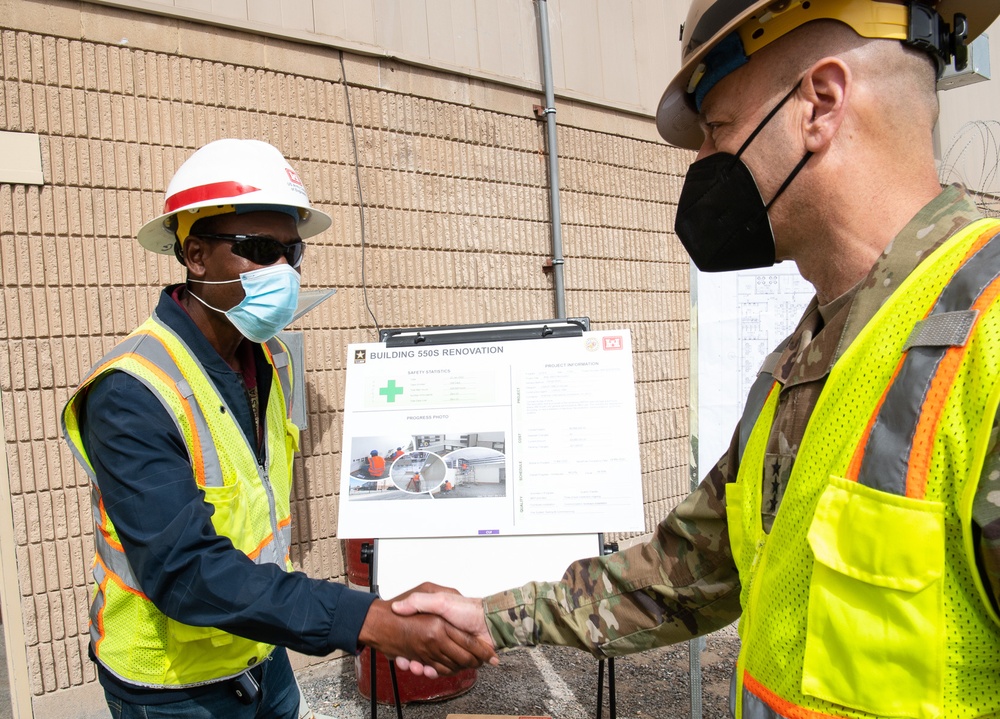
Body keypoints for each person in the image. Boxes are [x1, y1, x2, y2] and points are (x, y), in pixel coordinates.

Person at [393, 2, 1000, 717]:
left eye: (718, 130)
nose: (703, 167)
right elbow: (684, 573)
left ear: (820, 104)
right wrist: (488, 616)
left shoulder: (983, 337)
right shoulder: (803, 360)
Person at [61, 139, 494, 718]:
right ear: (195, 255)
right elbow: (185, 573)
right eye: (260, 249)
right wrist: (366, 619)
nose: (283, 272)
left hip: (264, 652)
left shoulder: (267, 361)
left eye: (292, 252)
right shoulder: (130, 392)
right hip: (175, 689)